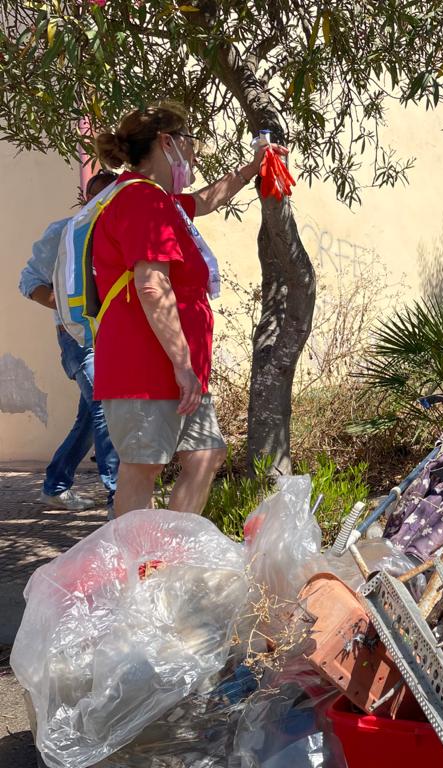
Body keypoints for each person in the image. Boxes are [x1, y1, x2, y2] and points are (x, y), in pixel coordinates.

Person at [92, 102, 287, 518]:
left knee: (206, 454)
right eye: (190, 143)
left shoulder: (163, 202)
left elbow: (207, 199)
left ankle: (172, 555)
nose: (195, 154)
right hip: (147, 369)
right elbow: (151, 283)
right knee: (143, 468)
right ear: (168, 143)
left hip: (178, 371)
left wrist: (254, 167)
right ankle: (133, 572)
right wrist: (183, 364)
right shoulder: (141, 201)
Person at [19, 171, 120, 511]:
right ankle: (117, 496)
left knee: (91, 417)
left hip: (115, 341)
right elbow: (30, 282)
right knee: (105, 406)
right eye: (99, 198)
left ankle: (55, 485)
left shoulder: (120, 234)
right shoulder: (64, 232)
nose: (106, 205)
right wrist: (71, 312)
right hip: (79, 339)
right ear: (86, 200)